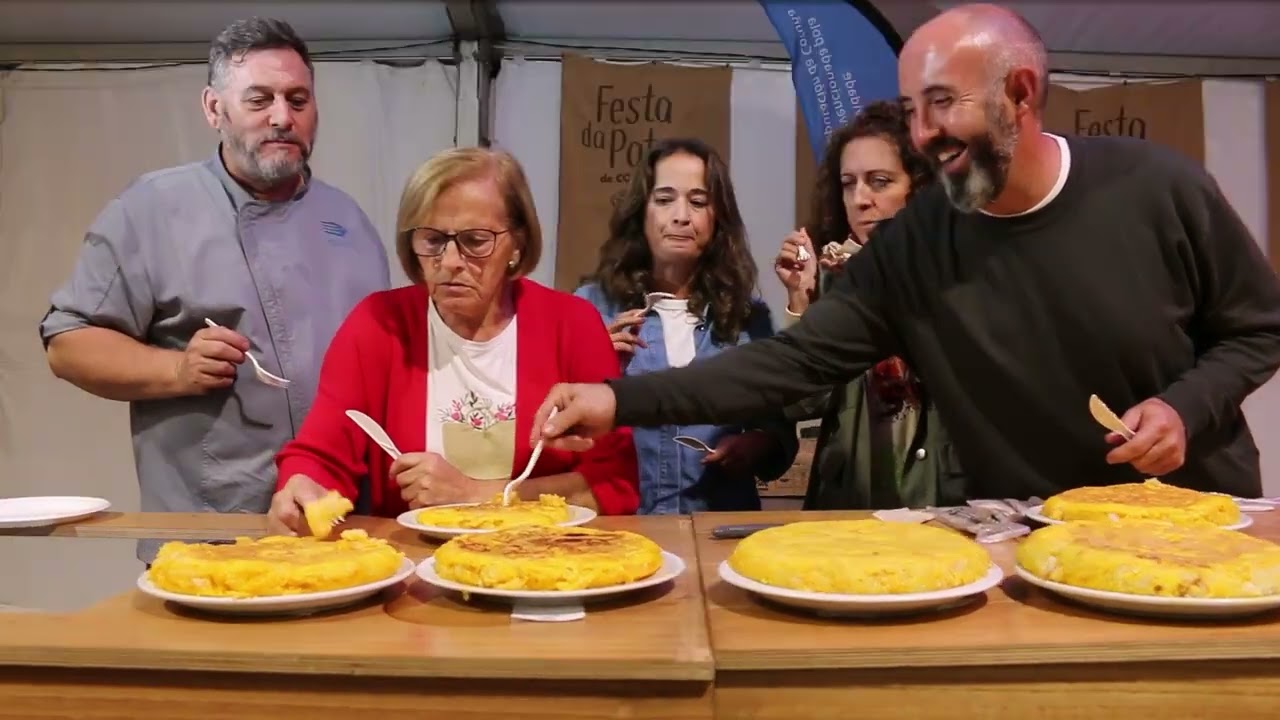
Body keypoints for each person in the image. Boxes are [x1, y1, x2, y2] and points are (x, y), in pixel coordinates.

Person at [528, 3, 1280, 501]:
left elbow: (1258, 327)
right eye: (914, 110)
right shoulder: (918, 246)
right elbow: (790, 365)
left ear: (1019, 92)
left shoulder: (1156, 188)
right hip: (1034, 544)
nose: (922, 133)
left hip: (1196, 522)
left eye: (942, 103)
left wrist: (1184, 409)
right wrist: (618, 399)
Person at [39, 17, 390, 562]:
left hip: (341, 531)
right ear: (213, 109)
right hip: (212, 533)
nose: (282, 117)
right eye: (259, 99)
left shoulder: (350, 222)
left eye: (299, 100)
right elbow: (68, 344)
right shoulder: (151, 209)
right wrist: (174, 370)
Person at [266, 148, 639, 534]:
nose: (449, 262)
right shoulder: (378, 324)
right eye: (432, 240)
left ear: (517, 244)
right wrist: (302, 484)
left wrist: (479, 494)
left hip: (542, 564)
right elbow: (321, 454)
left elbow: (614, 487)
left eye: (475, 241)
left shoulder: (572, 324)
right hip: (410, 568)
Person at [574, 138, 797, 514]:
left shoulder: (747, 316)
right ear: (640, 214)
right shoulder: (589, 307)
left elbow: (779, 434)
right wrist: (595, 370)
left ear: (718, 219)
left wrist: (756, 445)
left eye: (698, 202)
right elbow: (554, 430)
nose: (681, 216)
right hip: (622, 531)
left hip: (720, 530)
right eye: (664, 200)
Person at [773, 101, 963, 510]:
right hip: (851, 503)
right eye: (847, 183)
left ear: (923, 185)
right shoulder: (831, 273)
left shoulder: (964, 272)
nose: (860, 199)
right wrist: (800, 301)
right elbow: (800, 404)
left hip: (942, 501)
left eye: (879, 182)